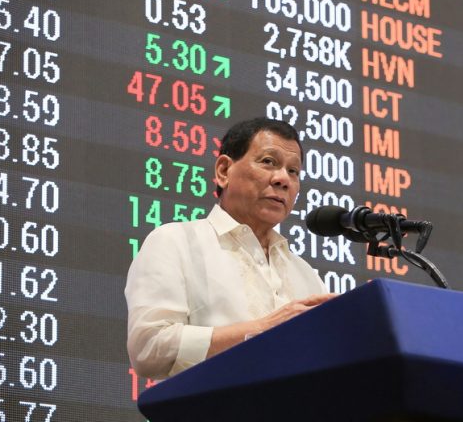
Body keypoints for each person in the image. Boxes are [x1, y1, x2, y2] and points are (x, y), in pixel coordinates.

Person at [125, 118, 335, 379]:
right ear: (224, 170)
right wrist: (263, 329)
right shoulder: (175, 241)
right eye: (269, 161)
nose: (283, 179)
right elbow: (149, 349)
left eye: (293, 171)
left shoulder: (305, 273)